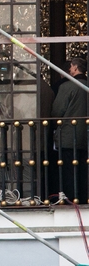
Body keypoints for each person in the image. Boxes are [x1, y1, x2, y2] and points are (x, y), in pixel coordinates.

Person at [51, 57, 88, 203]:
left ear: (74, 67)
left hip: (68, 135)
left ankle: (70, 199)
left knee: (68, 171)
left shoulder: (67, 87)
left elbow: (57, 111)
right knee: (83, 170)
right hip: (85, 136)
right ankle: (84, 198)